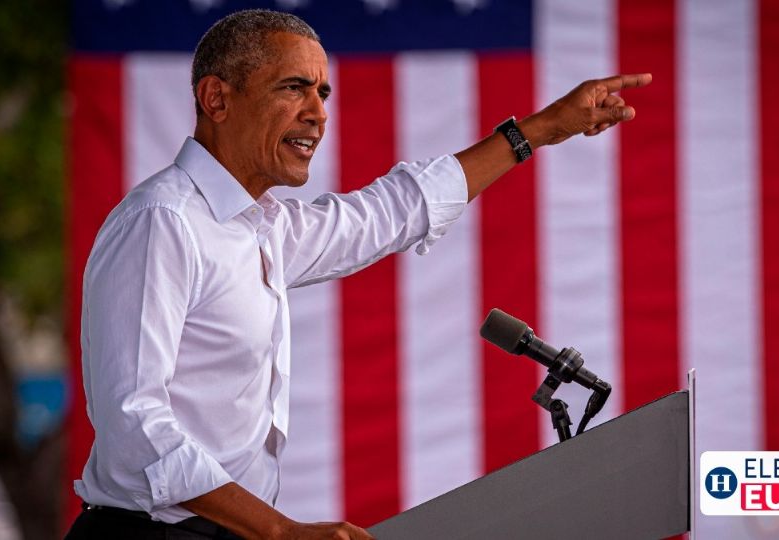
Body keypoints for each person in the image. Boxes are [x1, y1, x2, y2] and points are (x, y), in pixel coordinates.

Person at [64, 8, 651, 540]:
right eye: (293, 87)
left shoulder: (261, 227)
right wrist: (279, 530)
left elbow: (392, 211)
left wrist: (543, 129)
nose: (318, 113)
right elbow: (133, 423)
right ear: (216, 98)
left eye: (322, 92)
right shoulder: (161, 221)